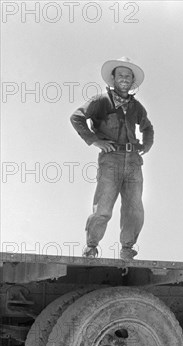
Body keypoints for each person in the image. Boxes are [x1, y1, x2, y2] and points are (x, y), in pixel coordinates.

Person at [71, 57, 154, 260]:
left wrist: (146, 144)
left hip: (133, 161)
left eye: (128, 76)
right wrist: (94, 141)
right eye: (120, 75)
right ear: (113, 79)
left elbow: (148, 127)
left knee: (134, 208)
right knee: (103, 207)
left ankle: (127, 249)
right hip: (111, 158)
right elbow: (76, 117)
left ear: (132, 81)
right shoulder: (101, 101)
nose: (124, 79)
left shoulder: (137, 107)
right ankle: (91, 247)